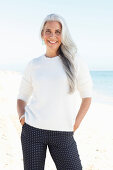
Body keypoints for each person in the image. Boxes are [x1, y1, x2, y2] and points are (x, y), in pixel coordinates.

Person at [17, 13, 93, 170]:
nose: (52, 36)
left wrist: (76, 123)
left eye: (57, 31)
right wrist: (22, 118)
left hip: (63, 134)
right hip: (33, 132)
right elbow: (21, 97)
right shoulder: (34, 65)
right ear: (42, 34)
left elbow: (87, 96)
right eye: (48, 31)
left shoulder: (75, 61)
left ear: (63, 34)